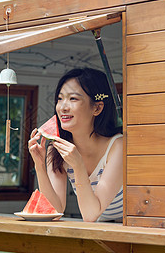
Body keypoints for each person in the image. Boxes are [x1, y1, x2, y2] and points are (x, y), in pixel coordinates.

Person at [28, 68, 123, 222]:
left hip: (136, 227)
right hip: (103, 228)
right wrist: (39, 166)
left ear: (97, 108)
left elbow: (91, 215)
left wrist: (78, 166)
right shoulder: (57, 148)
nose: (63, 107)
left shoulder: (117, 146)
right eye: (60, 98)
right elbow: (55, 210)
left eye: (73, 99)